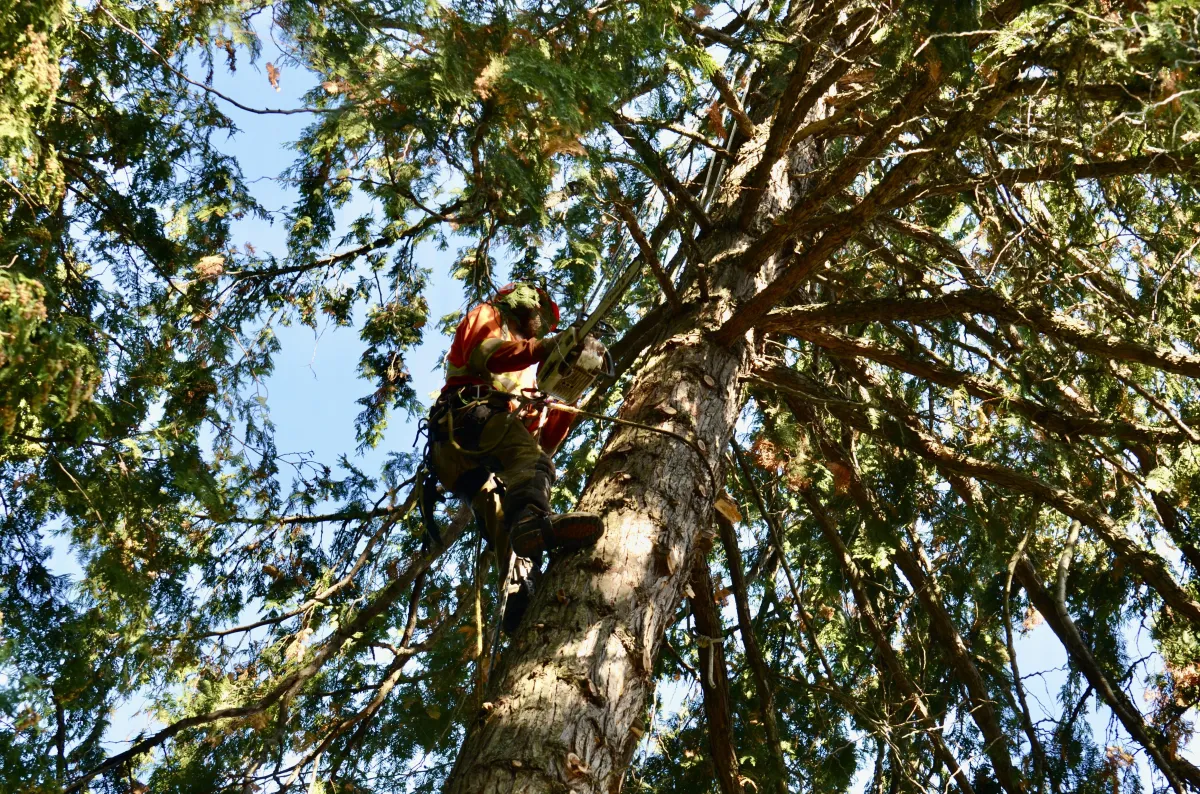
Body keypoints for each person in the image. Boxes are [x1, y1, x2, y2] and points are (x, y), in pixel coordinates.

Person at [428, 283, 603, 629]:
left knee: (505, 521)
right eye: (543, 316)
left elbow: (543, 445)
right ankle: (531, 525)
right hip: (468, 420)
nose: (544, 326)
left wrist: (568, 397)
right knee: (533, 472)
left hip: (468, 455)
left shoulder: (530, 373)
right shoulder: (490, 315)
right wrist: (543, 348)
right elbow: (487, 355)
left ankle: (518, 597)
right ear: (523, 302)